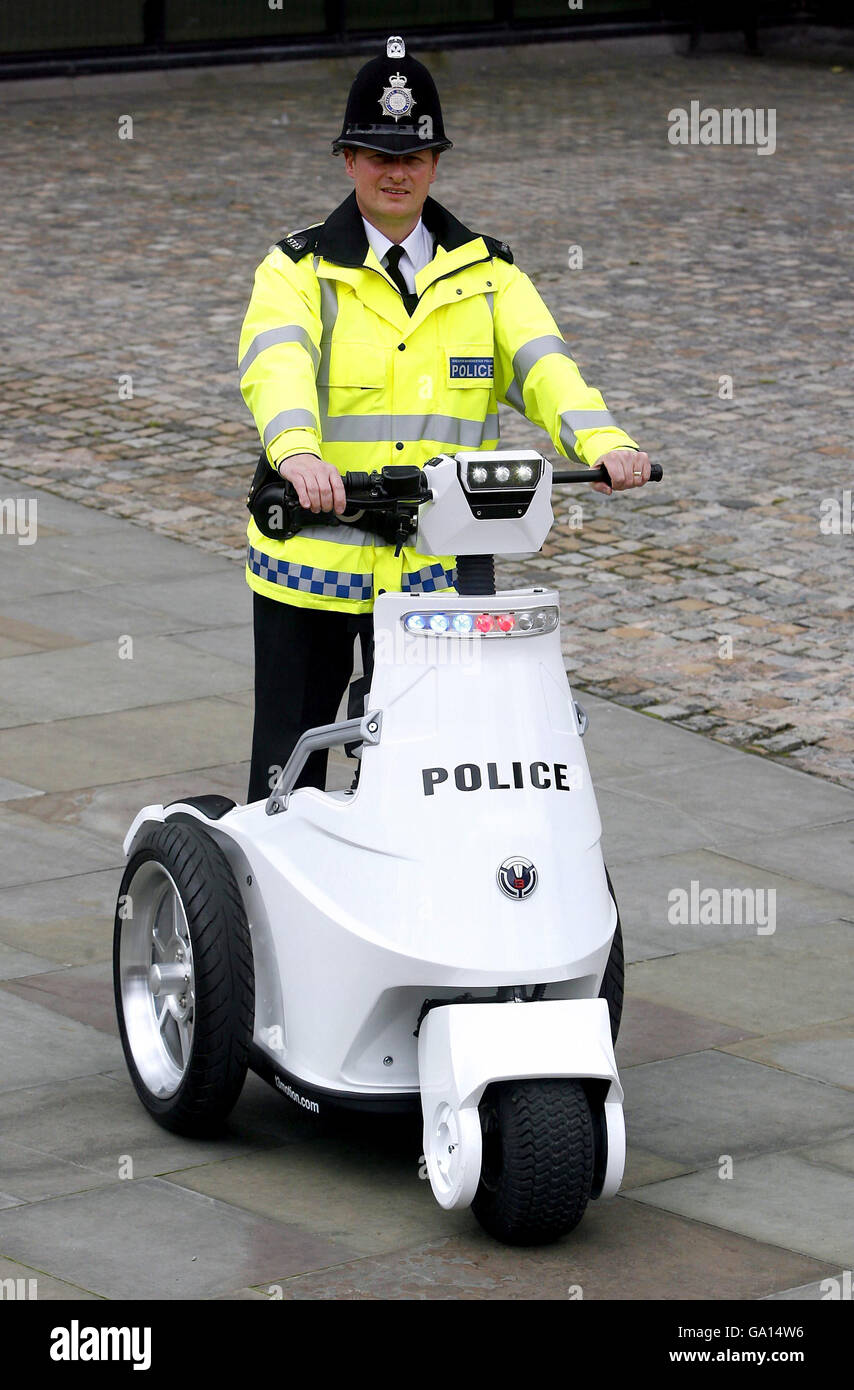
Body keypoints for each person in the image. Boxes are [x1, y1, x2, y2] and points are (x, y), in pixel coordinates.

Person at [239, 35, 651, 803]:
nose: (397, 172)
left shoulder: (489, 274)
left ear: (436, 163)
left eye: (414, 156)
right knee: (286, 774)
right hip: (314, 565)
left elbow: (544, 367)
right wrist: (296, 451)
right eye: (377, 154)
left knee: (435, 765)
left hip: (435, 568)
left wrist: (604, 441)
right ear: (348, 161)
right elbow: (276, 361)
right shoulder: (296, 271)